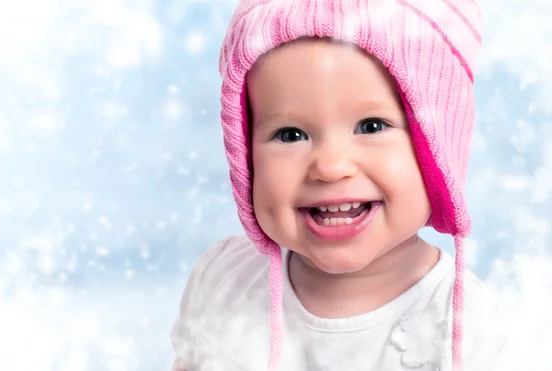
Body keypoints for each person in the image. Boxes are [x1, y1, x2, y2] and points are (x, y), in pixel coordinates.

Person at [171, 0, 511, 370]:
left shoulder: (468, 328)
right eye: (290, 134)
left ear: (436, 148)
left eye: (372, 126)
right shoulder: (223, 281)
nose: (330, 168)